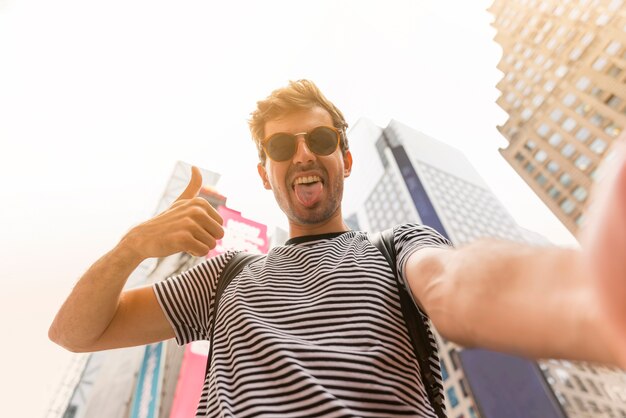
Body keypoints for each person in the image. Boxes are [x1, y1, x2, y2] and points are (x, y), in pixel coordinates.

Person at [49, 80, 626, 417]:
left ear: (344, 159)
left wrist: (594, 301)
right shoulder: (223, 278)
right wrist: (134, 246)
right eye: (283, 145)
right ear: (266, 172)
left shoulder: (395, 248)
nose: (303, 153)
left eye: (320, 139)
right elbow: (76, 332)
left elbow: (457, 286)